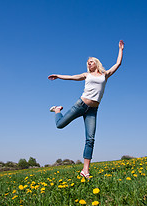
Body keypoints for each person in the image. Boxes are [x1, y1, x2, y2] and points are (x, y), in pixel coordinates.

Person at [48, 40, 124, 178]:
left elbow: (118, 64)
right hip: (80, 105)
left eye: (91, 61)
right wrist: (58, 76)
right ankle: (57, 110)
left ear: (97, 63)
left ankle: (85, 171)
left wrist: (121, 49)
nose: (89, 63)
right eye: (88, 62)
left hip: (93, 110)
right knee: (60, 125)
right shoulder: (86, 75)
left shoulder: (104, 75)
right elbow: (71, 77)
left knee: (90, 139)